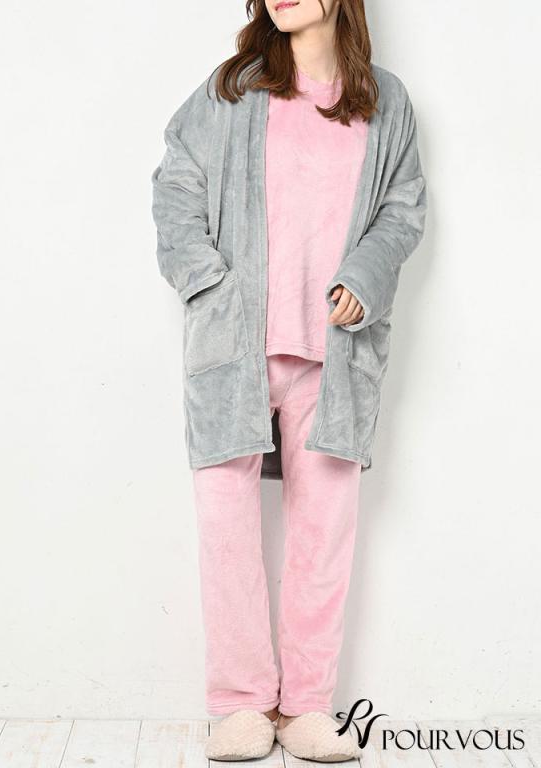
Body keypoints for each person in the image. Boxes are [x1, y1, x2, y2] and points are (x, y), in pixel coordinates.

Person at [151, 0, 427, 761]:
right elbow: (175, 185)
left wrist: (365, 277)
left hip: (336, 351)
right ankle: (241, 703)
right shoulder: (233, 88)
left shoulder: (386, 100)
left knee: (324, 530)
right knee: (226, 527)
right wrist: (207, 281)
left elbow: (402, 212)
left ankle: (306, 704)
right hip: (234, 343)